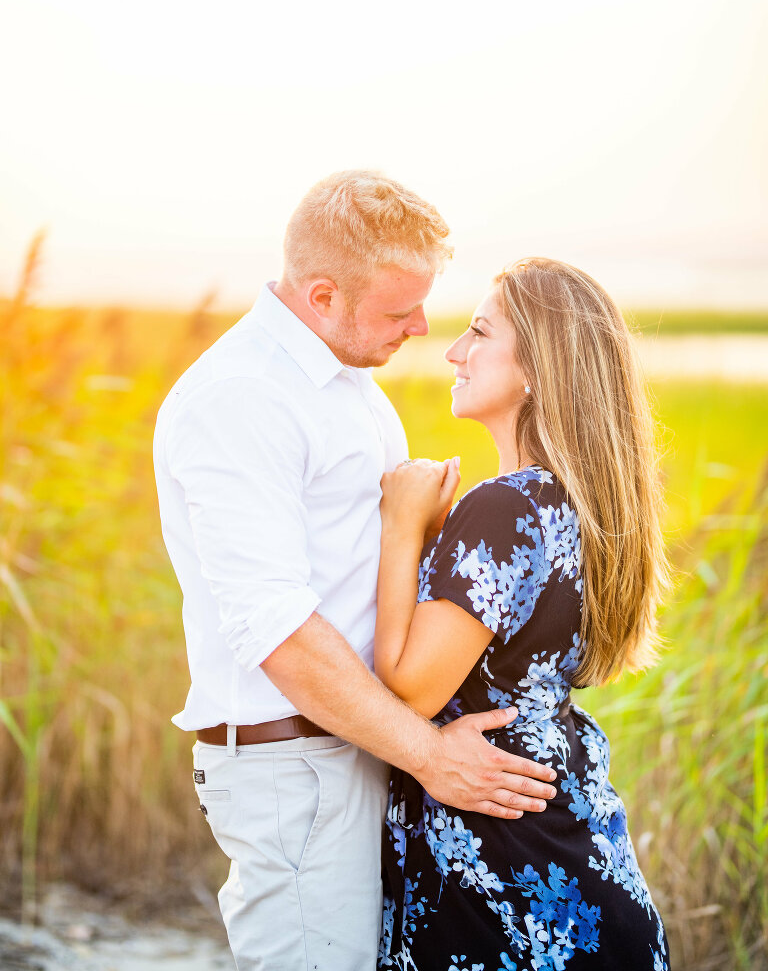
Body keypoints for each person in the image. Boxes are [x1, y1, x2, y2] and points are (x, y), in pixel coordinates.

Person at [153, 173, 557, 971]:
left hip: (359, 748)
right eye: (399, 309)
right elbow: (280, 632)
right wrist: (431, 755)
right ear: (323, 293)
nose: (423, 328)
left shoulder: (350, 387)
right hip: (295, 769)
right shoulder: (243, 399)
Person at [375, 257, 671, 970]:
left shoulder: (505, 507)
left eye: (478, 332)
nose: (454, 352)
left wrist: (401, 526)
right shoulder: (581, 505)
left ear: (537, 367)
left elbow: (410, 686)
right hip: (574, 862)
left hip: (508, 883)